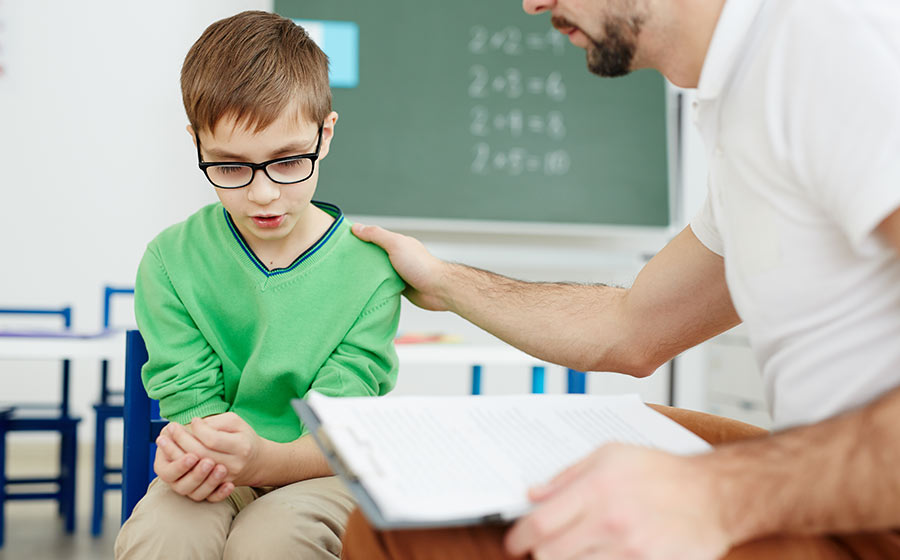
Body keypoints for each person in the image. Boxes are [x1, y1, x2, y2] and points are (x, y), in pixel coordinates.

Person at [342, 0, 900, 558]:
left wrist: (720, 495)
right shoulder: (743, 96)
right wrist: (443, 282)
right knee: (436, 492)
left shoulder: (829, 39)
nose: (532, 4)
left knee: (409, 541)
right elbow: (631, 329)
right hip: (828, 478)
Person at [114, 11, 404, 559]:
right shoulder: (171, 261)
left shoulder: (370, 270)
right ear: (196, 141)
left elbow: (346, 432)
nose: (264, 194)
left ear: (326, 133)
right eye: (229, 167)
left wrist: (265, 461)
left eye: (288, 160)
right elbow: (192, 407)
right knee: (165, 535)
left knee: (275, 539)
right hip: (217, 468)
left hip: (321, 471)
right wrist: (188, 449)